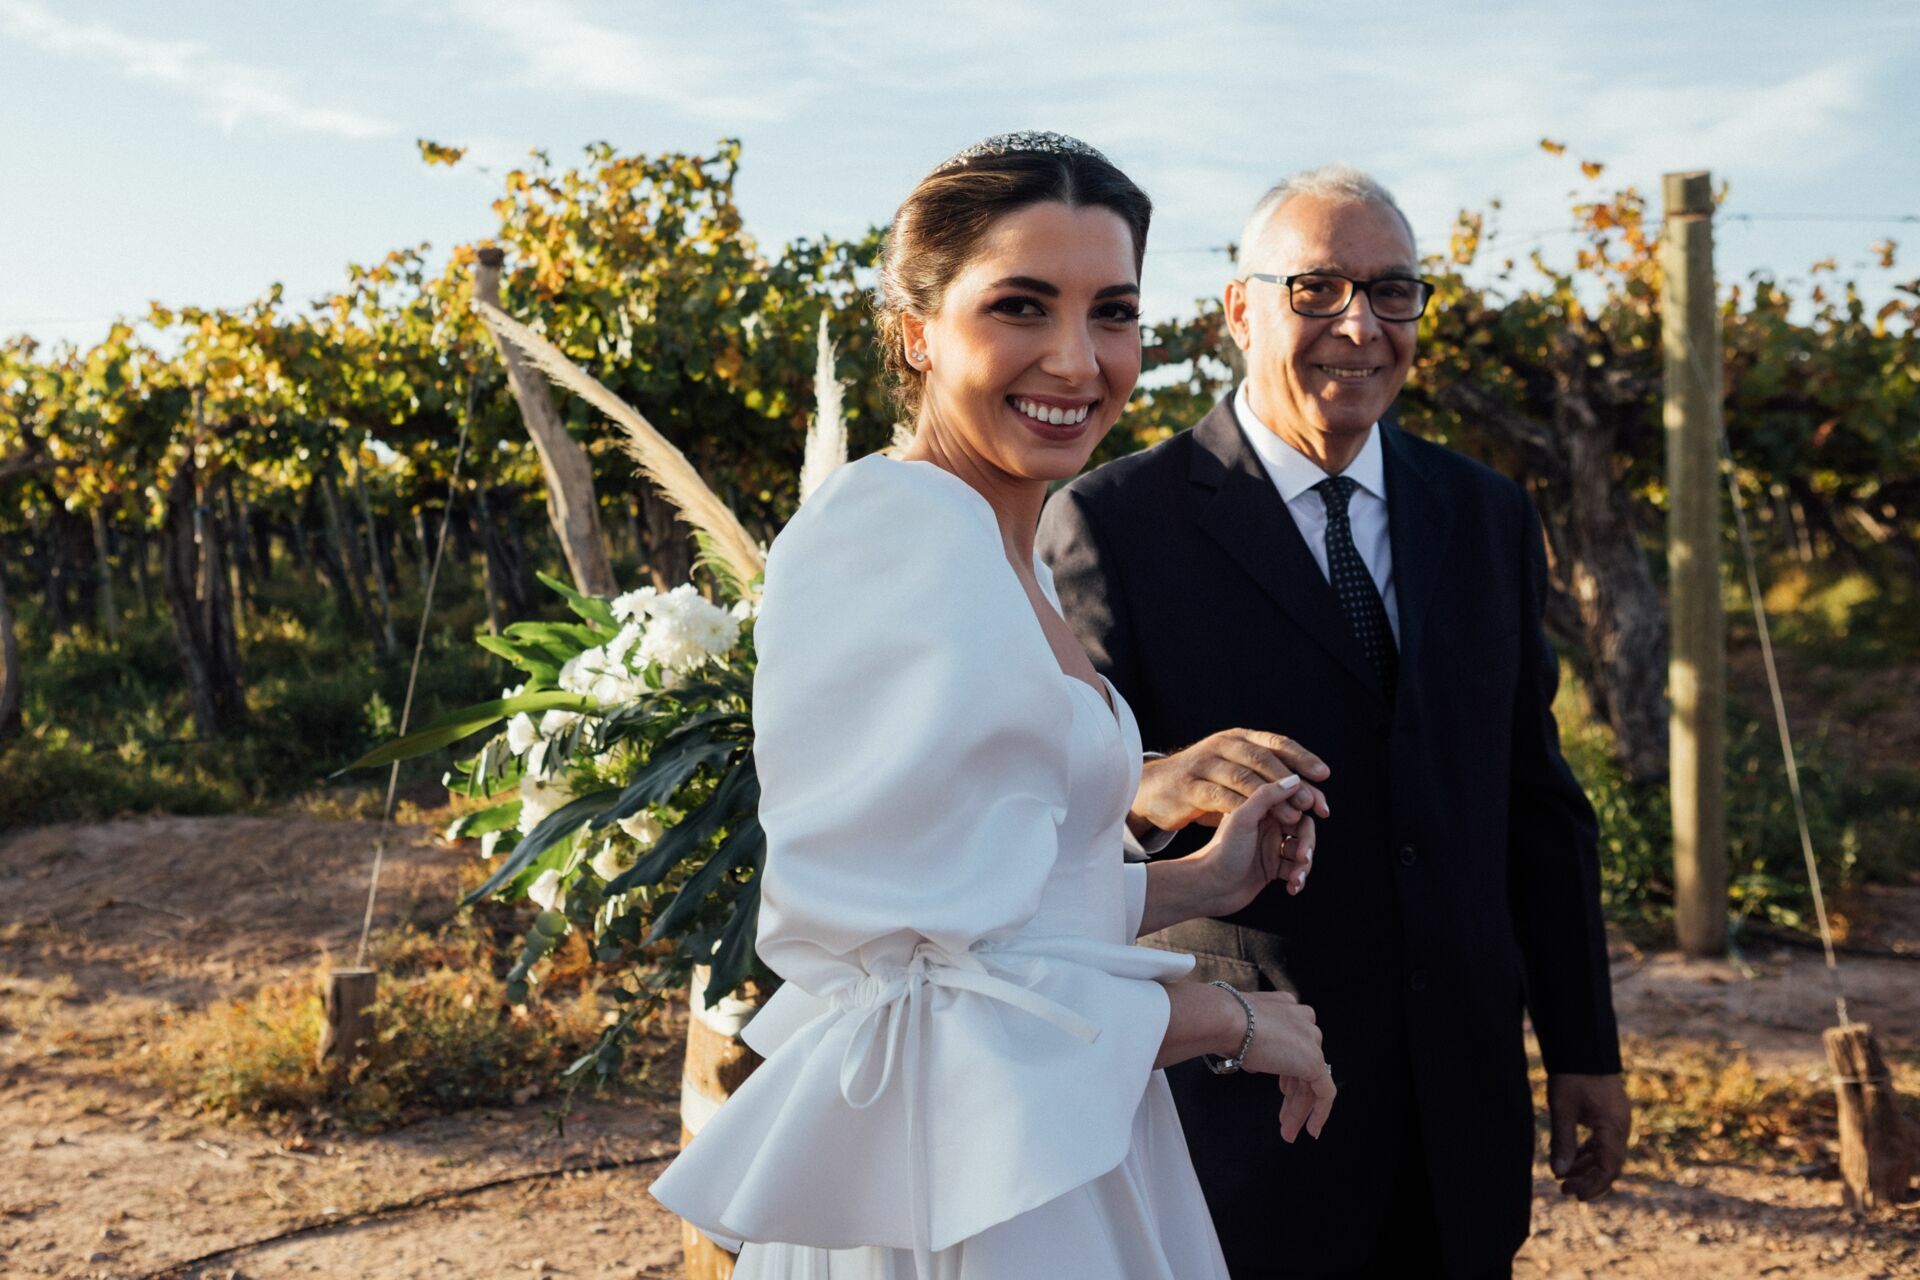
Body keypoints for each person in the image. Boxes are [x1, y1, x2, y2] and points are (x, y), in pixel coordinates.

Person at [652, 132, 1340, 1280]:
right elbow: (920, 1004)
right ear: (917, 329)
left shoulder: (999, 547)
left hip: (1053, 1142)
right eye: (1021, 306)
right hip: (972, 1195)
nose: (1077, 360)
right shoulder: (894, 538)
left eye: (1112, 312)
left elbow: (992, 915)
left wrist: (1199, 881)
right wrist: (1231, 1018)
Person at [1037, 164, 1631, 1279]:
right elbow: (1068, 800)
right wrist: (1156, 783)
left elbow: (1533, 802)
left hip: (1458, 1113)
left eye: (1392, 291)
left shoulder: (1487, 514)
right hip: (1241, 1112)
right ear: (1240, 309)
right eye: (1316, 289)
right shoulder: (1114, 520)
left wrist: (1582, 1048)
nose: (1359, 327)